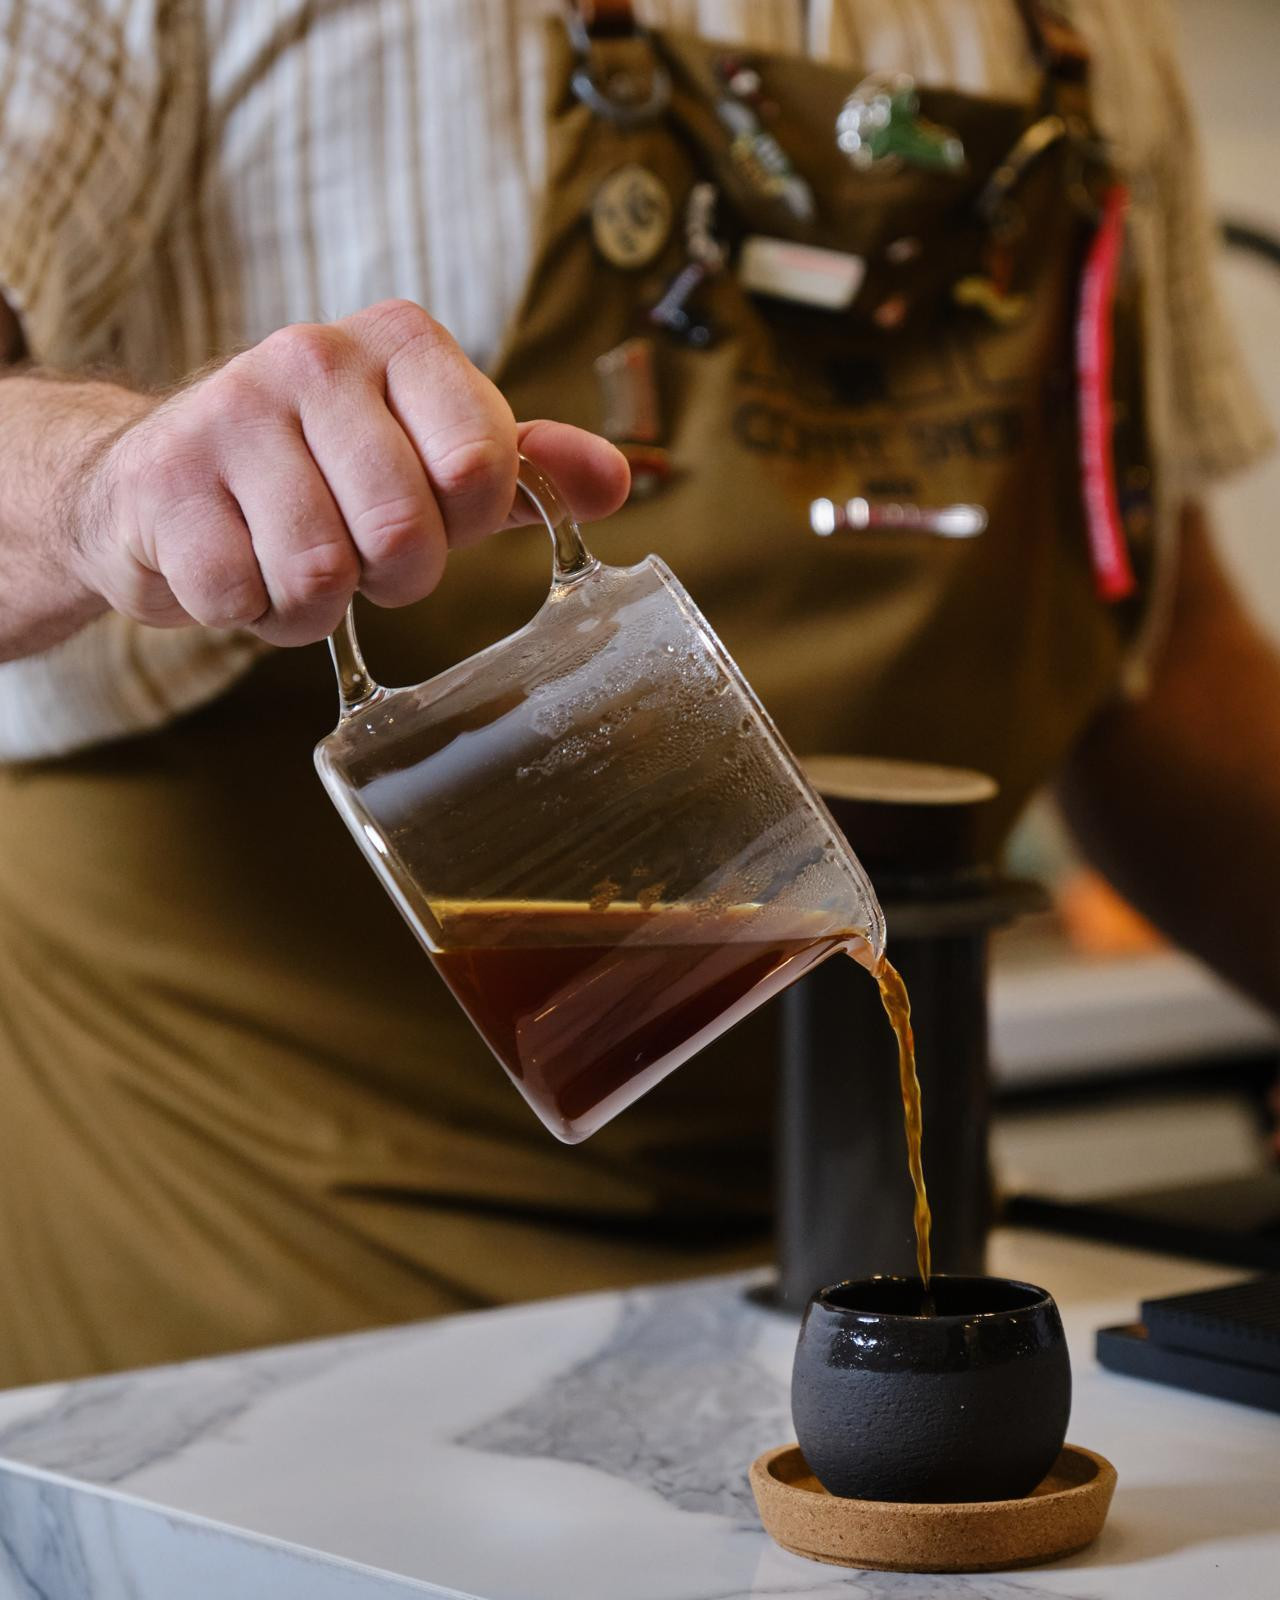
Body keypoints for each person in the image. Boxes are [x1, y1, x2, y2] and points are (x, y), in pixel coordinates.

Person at [0, 0, 1275, 1388]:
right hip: (287, 1327)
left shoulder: (1089, 28)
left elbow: (1161, 662)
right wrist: (95, 486)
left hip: (868, 1281)